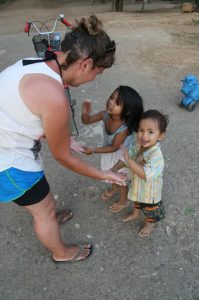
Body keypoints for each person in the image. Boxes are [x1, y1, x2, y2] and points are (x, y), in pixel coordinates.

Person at [0, 15, 126, 263]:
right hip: (7, 163)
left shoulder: (39, 62)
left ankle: (47, 215)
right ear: (86, 64)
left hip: (7, 142)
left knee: (43, 203)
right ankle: (62, 252)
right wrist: (104, 174)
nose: (94, 79)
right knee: (44, 211)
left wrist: (63, 137)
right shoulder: (54, 96)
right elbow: (63, 158)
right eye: (97, 73)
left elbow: (22, 111)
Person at [81, 85, 144, 212]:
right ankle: (114, 187)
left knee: (120, 179)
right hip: (109, 152)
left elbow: (115, 147)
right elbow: (87, 121)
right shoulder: (105, 115)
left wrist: (93, 150)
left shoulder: (124, 128)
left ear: (128, 111)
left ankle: (123, 200)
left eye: (117, 102)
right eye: (111, 97)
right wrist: (85, 113)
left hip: (121, 156)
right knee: (109, 172)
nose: (110, 102)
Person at [111, 110, 169, 237]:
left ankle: (149, 226)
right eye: (141, 130)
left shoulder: (157, 157)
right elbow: (127, 157)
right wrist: (114, 168)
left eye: (150, 132)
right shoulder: (138, 144)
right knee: (136, 201)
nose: (144, 136)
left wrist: (128, 159)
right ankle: (135, 213)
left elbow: (143, 174)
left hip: (150, 193)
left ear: (161, 135)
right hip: (138, 186)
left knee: (150, 212)